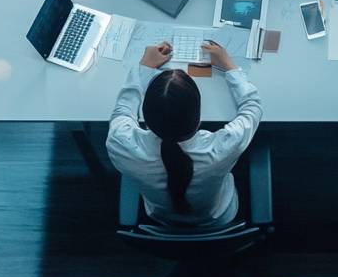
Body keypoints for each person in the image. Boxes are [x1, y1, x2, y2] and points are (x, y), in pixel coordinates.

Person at [107, 39, 262, 228]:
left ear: (145, 119)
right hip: (218, 218)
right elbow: (252, 106)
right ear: (198, 120)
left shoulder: (121, 144)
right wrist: (229, 65)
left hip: (160, 219)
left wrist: (144, 66)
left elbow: (123, 110)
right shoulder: (224, 146)